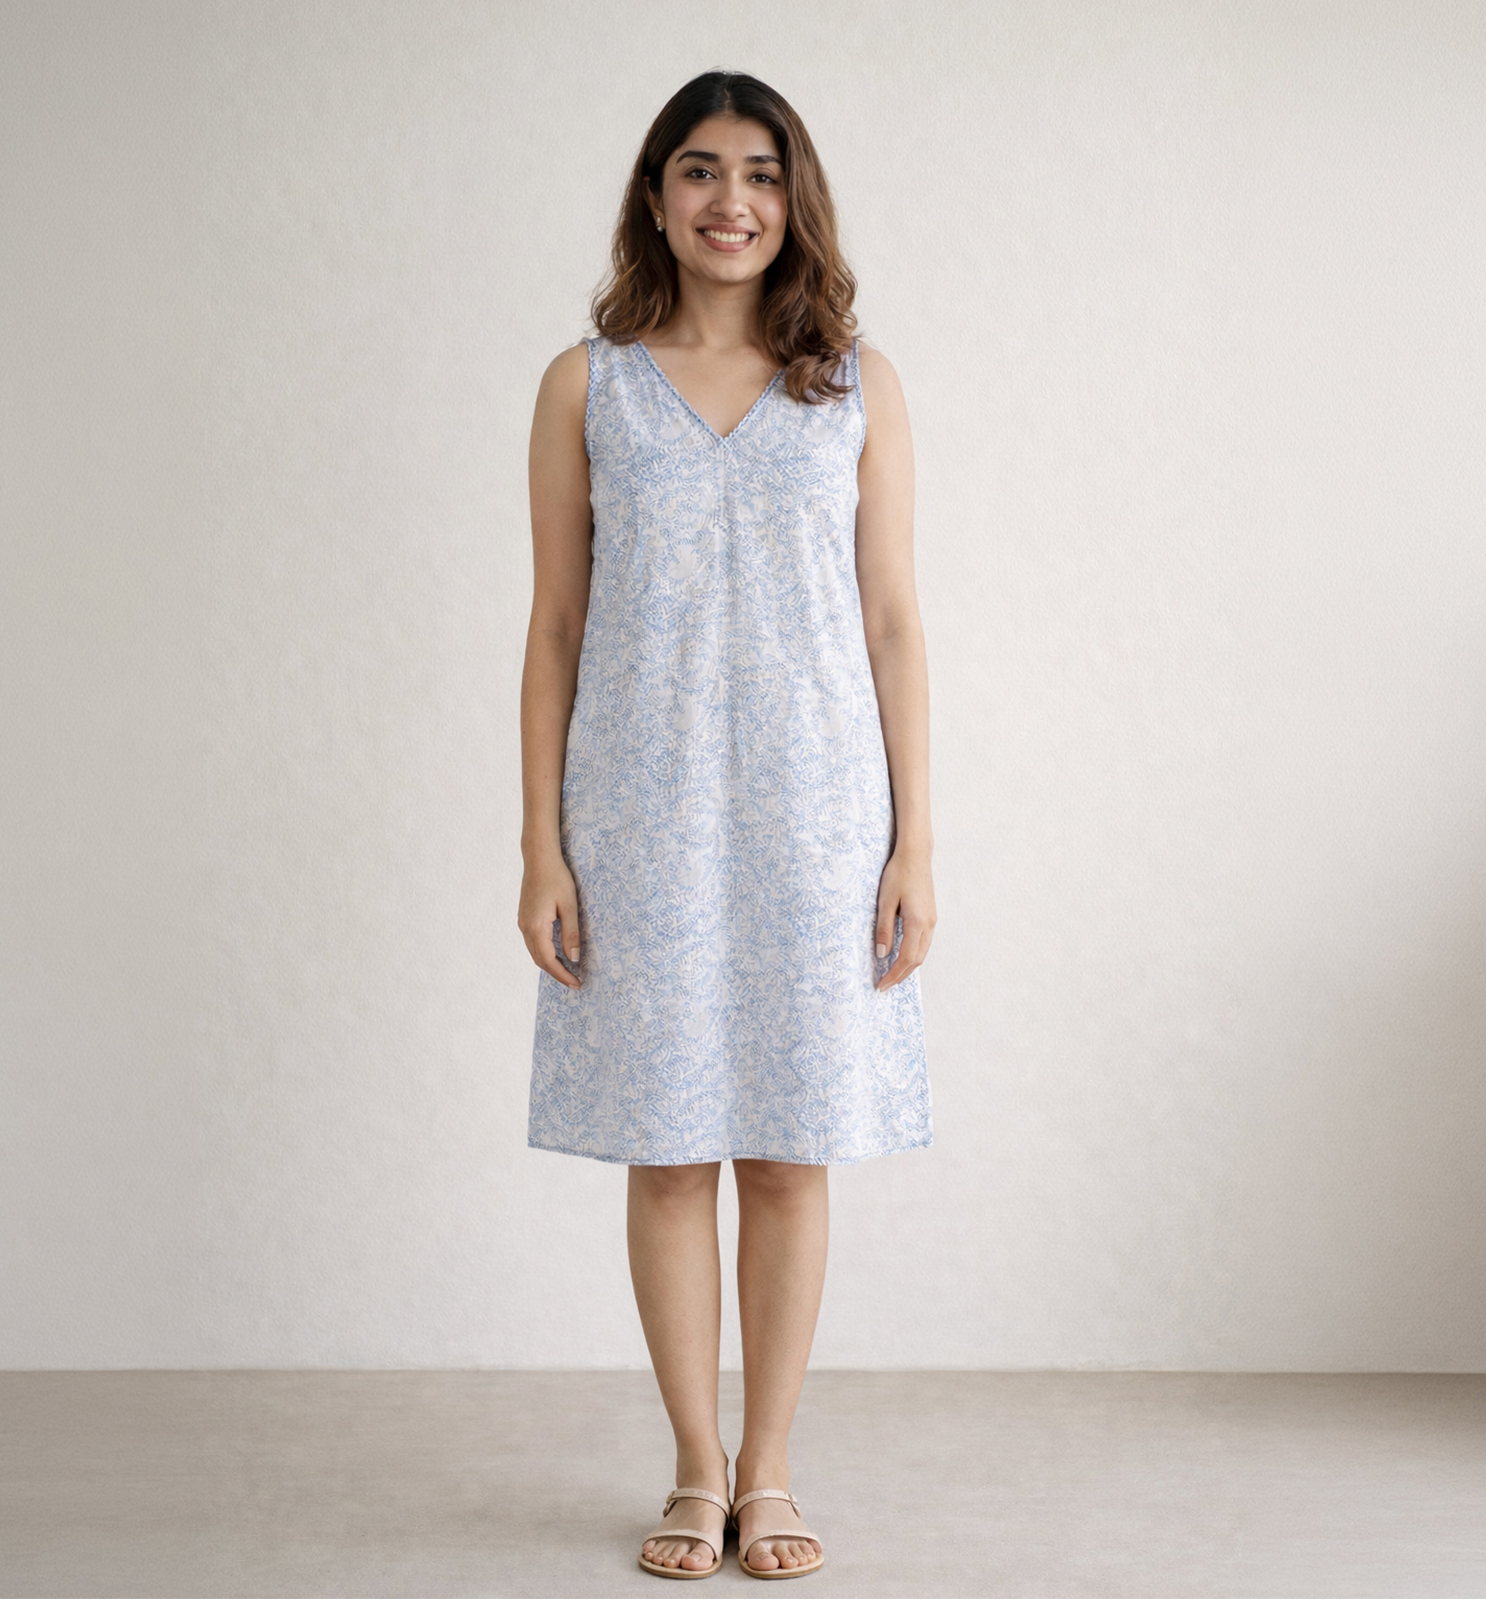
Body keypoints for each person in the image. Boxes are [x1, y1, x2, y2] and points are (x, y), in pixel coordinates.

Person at [517, 69, 934, 1580]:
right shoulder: (588, 384)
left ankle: (773, 1469)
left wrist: (916, 842)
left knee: (789, 1149)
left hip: (819, 815)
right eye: (699, 170)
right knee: (670, 1148)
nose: (731, 201)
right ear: (656, 195)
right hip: (640, 812)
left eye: (760, 173)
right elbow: (556, 627)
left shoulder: (856, 385)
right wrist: (541, 845)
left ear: (793, 198)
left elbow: (893, 622)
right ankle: (696, 1469)